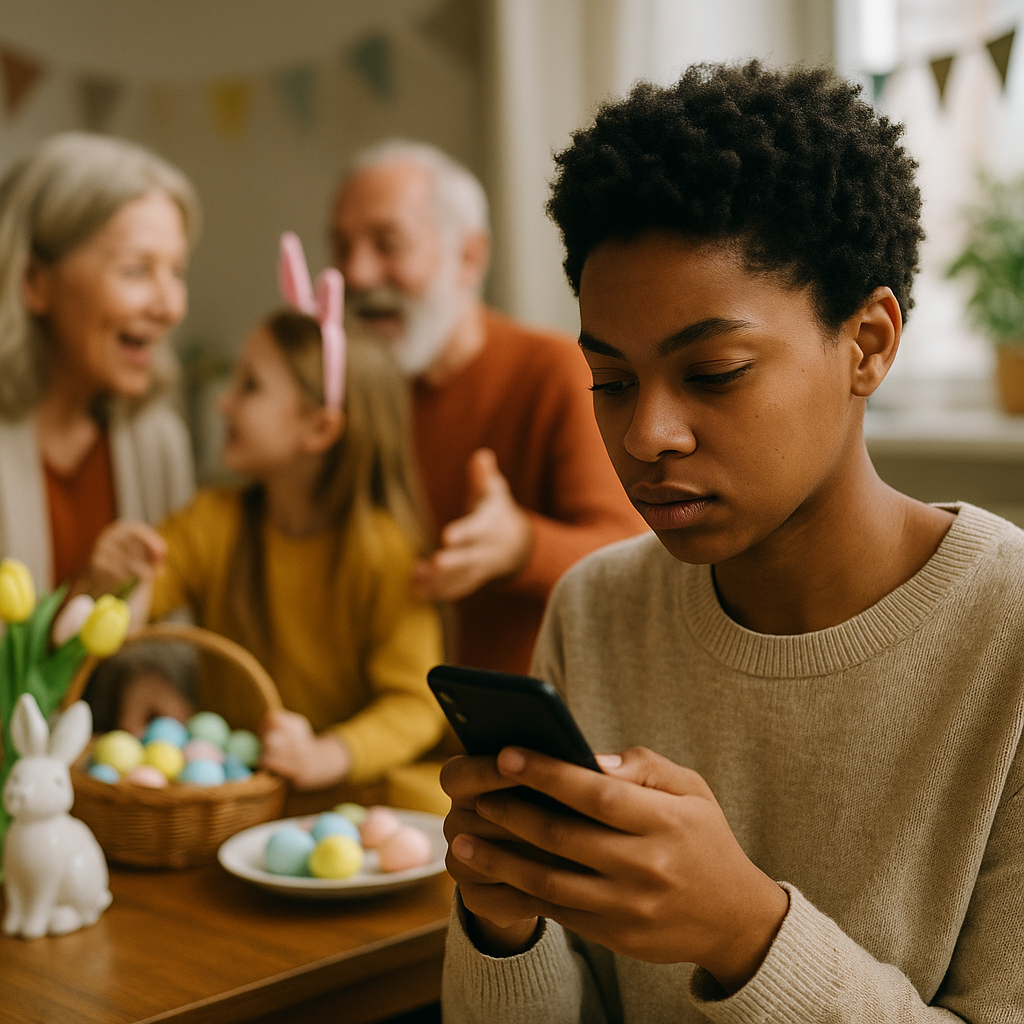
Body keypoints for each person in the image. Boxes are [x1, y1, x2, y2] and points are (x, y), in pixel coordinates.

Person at [440, 62, 1024, 1021]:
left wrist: (745, 934)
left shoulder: (1006, 634)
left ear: (869, 342)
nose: (646, 437)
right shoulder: (596, 610)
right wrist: (507, 924)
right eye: (612, 382)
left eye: (713, 372)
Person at [88, 236, 448, 810]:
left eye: (249, 387)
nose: (224, 404)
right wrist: (114, 580)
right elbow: (126, 614)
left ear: (319, 429)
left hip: (348, 803)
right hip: (235, 798)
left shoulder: (384, 550)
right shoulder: (212, 521)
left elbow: (414, 704)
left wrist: (328, 754)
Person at [330, 141, 646, 675]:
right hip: (367, 730)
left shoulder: (553, 371)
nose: (357, 274)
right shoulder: (340, 389)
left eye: (388, 244)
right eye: (341, 247)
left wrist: (521, 545)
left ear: (469, 257)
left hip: (522, 729)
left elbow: (638, 562)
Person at [0, 131, 200, 728]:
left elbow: (173, 624)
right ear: (34, 281)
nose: (170, 306)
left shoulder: (156, 436)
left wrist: (147, 678)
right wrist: (82, 593)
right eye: (137, 270)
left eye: (177, 272)